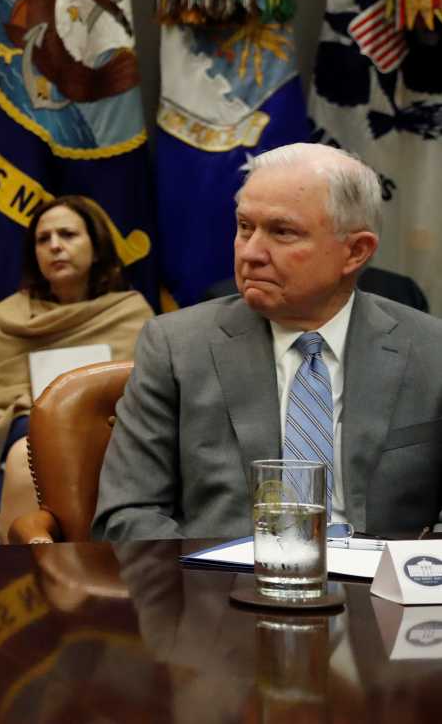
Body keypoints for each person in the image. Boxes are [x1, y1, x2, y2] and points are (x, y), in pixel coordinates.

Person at [94, 142, 442, 540]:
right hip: (220, 588)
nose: (251, 252)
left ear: (355, 252)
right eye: (245, 227)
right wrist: (203, 588)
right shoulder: (174, 347)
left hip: (385, 592)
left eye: (282, 232)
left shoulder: (431, 351)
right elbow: (127, 514)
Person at [0, 195, 152, 531]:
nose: (55, 246)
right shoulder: (9, 318)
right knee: (28, 455)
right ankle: (26, 579)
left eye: (67, 235)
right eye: (43, 239)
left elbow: (148, 402)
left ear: (96, 247)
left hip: (114, 444)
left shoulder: (130, 311)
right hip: (27, 445)